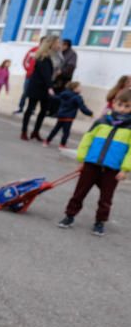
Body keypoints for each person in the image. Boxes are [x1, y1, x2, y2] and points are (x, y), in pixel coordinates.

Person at [57, 89, 131, 237]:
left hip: (112, 169)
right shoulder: (102, 121)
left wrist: (125, 169)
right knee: (80, 192)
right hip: (91, 164)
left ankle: (100, 222)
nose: (122, 108)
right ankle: (69, 215)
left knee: (106, 198)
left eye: (127, 106)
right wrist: (82, 159)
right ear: (114, 103)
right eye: (120, 104)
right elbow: (87, 139)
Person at [21, 35, 60, 142]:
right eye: (57, 43)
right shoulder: (43, 57)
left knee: (43, 111)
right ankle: (24, 132)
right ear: (51, 44)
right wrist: (50, 87)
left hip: (44, 88)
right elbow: (45, 75)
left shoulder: (52, 56)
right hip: (36, 87)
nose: (59, 45)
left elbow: (51, 73)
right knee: (30, 109)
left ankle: (35, 132)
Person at [45, 82, 93, 149]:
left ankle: (47, 141)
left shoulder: (64, 94)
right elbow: (82, 107)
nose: (81, 88)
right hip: (68, 117)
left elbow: (56, 98)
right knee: (66, 132)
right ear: (74, 88)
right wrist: (90, 113)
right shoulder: (77, 97)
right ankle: (62, 144)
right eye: (79, 87)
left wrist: (52, 95)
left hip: (61, 115)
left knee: (55, 129)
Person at [14, 40, 39, 114]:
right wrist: (29, 69)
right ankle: (20, 108)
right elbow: (26, 61)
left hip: (38, 78)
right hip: (29, 75)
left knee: (35, 94)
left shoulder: (47, 53)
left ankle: (32, 109)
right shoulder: (34, 50)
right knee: (25, 92)